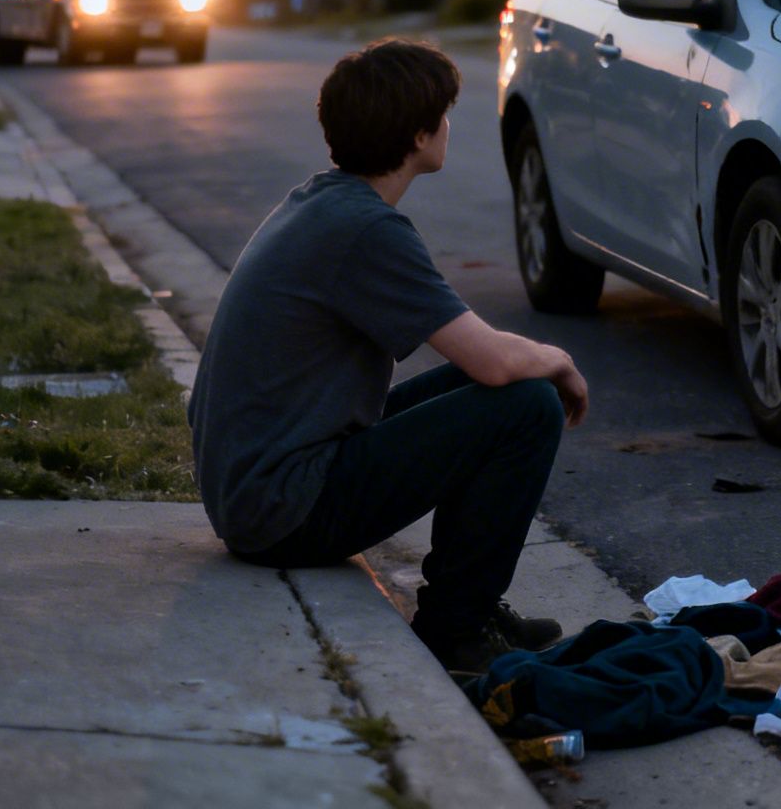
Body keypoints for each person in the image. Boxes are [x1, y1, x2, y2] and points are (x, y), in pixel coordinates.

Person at [189, 37, 588, 674]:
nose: (449, 127)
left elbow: (476, 361)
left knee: (486, 389)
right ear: (418, 133)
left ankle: (471, 607)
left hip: (255, 489)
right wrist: (558, 359)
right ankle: (456, 628)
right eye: (445, 115)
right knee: (528, 404)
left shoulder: (322, 201)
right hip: (284, 510)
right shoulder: (366, 229)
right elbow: (493, 361)